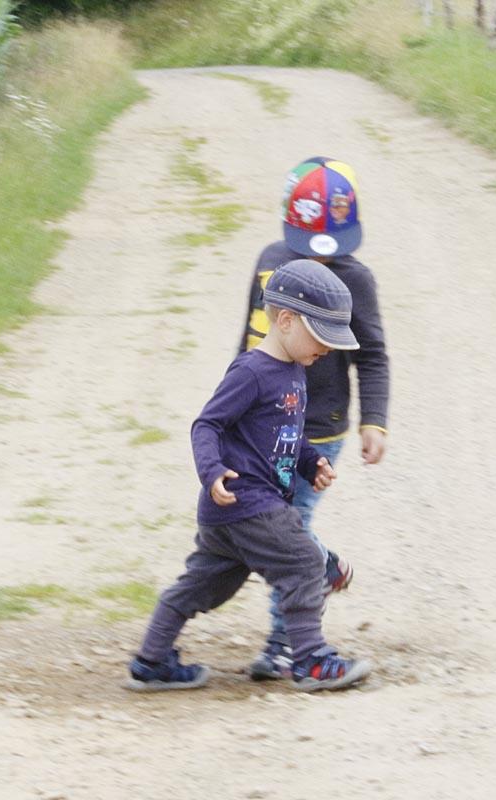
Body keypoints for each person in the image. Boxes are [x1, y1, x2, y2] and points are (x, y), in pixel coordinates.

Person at [126, 259, 372, 693]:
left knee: (202, 587)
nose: (328, 350)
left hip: (231, 517)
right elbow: (207, 425)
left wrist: (310, 461)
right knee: (304, 562)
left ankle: (151, 661)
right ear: (286, 320)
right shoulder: (251, 371)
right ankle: (311, 661)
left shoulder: (294, 371)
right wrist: (212, 470)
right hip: (247, 500)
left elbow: (283, 436)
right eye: (322, 338)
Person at [241, 157, 390, 680]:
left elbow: (372, 354)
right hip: (263, 427)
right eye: (308, 251)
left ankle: (286, 644)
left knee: (288, 528)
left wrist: (375, 419)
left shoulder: (357, 281)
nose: (321, 263)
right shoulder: (268, 265)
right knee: (261, 528)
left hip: (320, 431)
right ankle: (321, 565)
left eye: (333, 251)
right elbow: (251, 344)